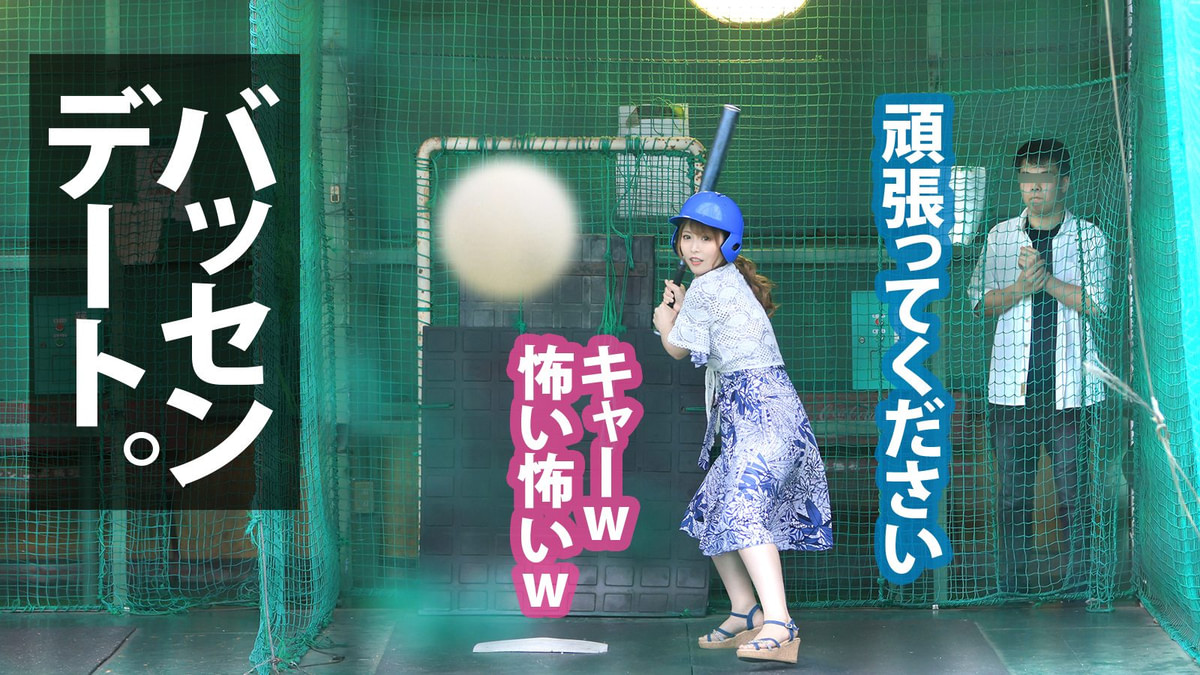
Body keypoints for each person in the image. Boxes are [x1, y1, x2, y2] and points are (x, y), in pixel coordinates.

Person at [652, 191, 833, 664]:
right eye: (686, 237)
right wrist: (682, 311)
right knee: (712, 508)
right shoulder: (721, 282)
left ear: (726, 243)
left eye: (705, 239)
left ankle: (780, 623)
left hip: (762, 416)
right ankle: (745, 610)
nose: (693, 248)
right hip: (756, 418)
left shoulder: (709, 287)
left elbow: (677, 349)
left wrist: (665, 320)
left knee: (742, 514)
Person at [968, 139, 1110, 595]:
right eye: (1026, 179)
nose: (1033, 189)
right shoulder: (1001, 236)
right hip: (1012, 391)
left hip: (1070, 390)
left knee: (1074, 492)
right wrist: (1020, 289)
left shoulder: (1088, 237)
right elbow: (980, 303)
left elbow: (1098, 304)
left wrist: (1047, 281)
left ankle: (1079, 583)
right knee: (1012, 494)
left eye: (1043, 179)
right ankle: (1014, 583)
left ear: (1063, 183)